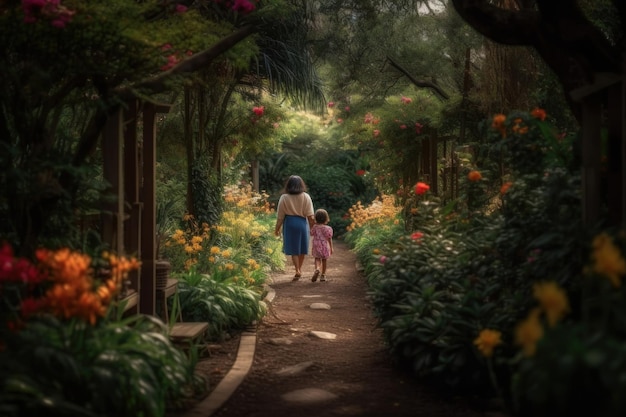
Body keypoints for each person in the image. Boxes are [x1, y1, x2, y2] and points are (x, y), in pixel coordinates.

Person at [274, 175, 315, 281]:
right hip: (302, 223)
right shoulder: (306, 196)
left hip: (289, 223)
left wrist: (277, 229)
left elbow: (280, 217)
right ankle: (299, 269)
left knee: (293, 249)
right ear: (301, 185)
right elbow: (310, 216)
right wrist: (313, 228)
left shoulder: (284, 197)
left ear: (288, 185)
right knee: (302, 248)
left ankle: (297, 270)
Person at [310, 208, 333, 282]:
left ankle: (317, 269)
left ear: (316, 218)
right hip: (324, 246)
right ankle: (323, 275)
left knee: (317, 258)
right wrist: (331, 247)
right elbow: (329, 238)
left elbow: (311, 233)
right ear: (326, 218)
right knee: (324, 260)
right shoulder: (328, 228)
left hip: (316, 245)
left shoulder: (315, 227)